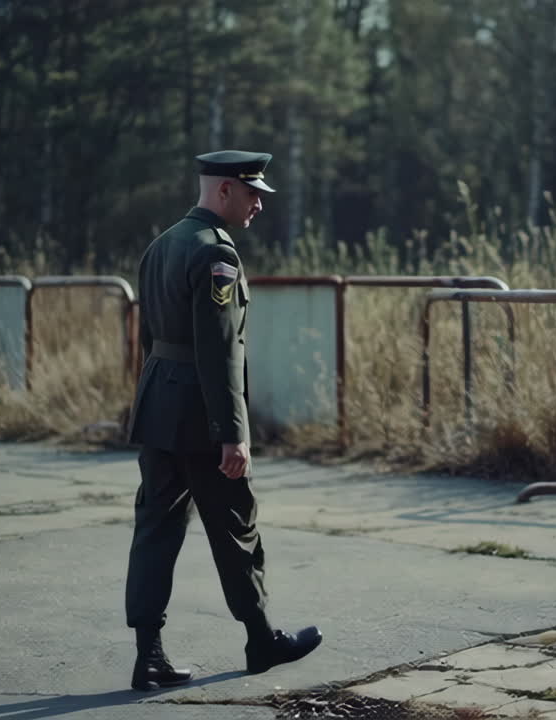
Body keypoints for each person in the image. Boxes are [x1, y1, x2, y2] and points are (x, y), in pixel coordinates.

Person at [123, 150, 322, 691]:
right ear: (224, 191)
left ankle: (149, 656)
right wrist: (232, 433)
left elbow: (150, 340)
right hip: (201, 417)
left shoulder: (162, 244)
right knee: (236, 527)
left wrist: (152, 399)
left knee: (154, 532)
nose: (260, 203)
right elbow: (218, 352)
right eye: (253, 192)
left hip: (159, 408)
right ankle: (261, 641)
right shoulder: (216, 254)